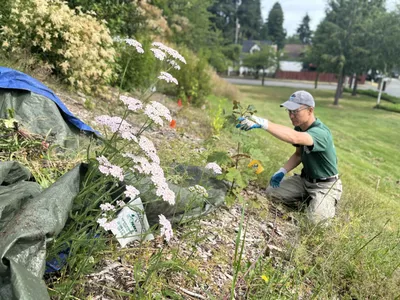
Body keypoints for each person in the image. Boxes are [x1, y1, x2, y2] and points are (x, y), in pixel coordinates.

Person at [236, 90, 342, 223]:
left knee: (315, 223)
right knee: (271, 192)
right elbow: (298, 155)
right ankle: (310, 202)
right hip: (305, 181)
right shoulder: (300, 128)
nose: (291, 116)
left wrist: (264, 124)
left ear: (310, 110)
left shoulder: (321, 133)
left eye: (295, 111)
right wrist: (282, 171)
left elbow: (295, 137)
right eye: (289, 111)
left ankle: (322, 204)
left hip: (325, 186)